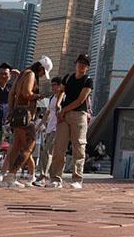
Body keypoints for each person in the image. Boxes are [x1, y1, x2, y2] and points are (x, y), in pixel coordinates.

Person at [46, 53, 94, 189]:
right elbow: (61, 91)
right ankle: (56, 178)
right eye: (80, 62)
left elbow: (81, 100)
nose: (81, 65)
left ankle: (77, 179)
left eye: (85, 63)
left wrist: (64, 109)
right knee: (59, 147)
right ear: (76, 63)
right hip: (64, 115)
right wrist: (58, 105)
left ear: (87, 67)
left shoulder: (88, 80)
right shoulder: (68, 78)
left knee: (78, 147)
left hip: (79, 115)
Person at [3, 60, 47, 187]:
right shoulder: (31, 74)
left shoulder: (23, 73)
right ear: (41, 69)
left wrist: (11, 111)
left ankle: (10, 177)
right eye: (44, 72)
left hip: (17, 113)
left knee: (16, 145)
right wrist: (38, 96)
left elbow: (12, 93)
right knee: (29, 146)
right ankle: (11, 174)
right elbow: (26, 93)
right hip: (25, 114)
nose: (43, 76)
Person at [33, 76, 63, 187]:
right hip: (49, 129)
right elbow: (47, 114)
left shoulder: (62, 97)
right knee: (48, 152)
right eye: (52, 85)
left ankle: (44, 176)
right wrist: (40, 125)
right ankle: (48, 177)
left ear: (60, 86)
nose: (53, 87)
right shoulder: (52, 98)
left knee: (47, 151)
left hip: (57, 128)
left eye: (55, 85)